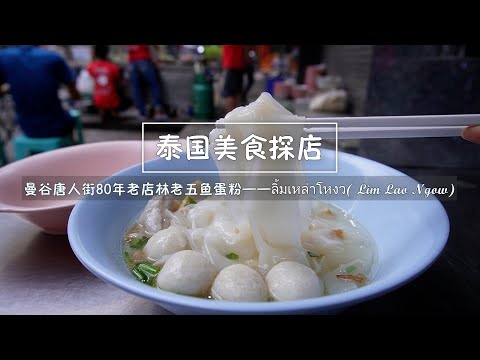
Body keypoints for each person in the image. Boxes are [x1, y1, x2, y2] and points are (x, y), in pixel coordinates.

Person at [0, 45, 80, 138]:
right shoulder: (52, 57)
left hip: (25, 127)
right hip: (56, 126)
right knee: (72, 116)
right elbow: (73, 90)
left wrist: (14, 87)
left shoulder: (4, 57)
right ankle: (68, 148)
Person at [127, 45, 167, 121]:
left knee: (136, 88)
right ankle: (158, 112)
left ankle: (141, 113)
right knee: (154, 85)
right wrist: (157, 59)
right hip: (143, 60)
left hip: (132, 62)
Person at [87, 45, 121, 122]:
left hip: (98, 100)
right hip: (112, 98)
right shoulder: (112, 66)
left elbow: (89, 75)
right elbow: (118, 81)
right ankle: (115, 116)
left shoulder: (92, 66)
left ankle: (102, 117)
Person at [221, 45, 248, 113]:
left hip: (232, 65)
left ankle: (231, 118)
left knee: (231, 93)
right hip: (236, 64)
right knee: (235, 93)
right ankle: (234, 117)